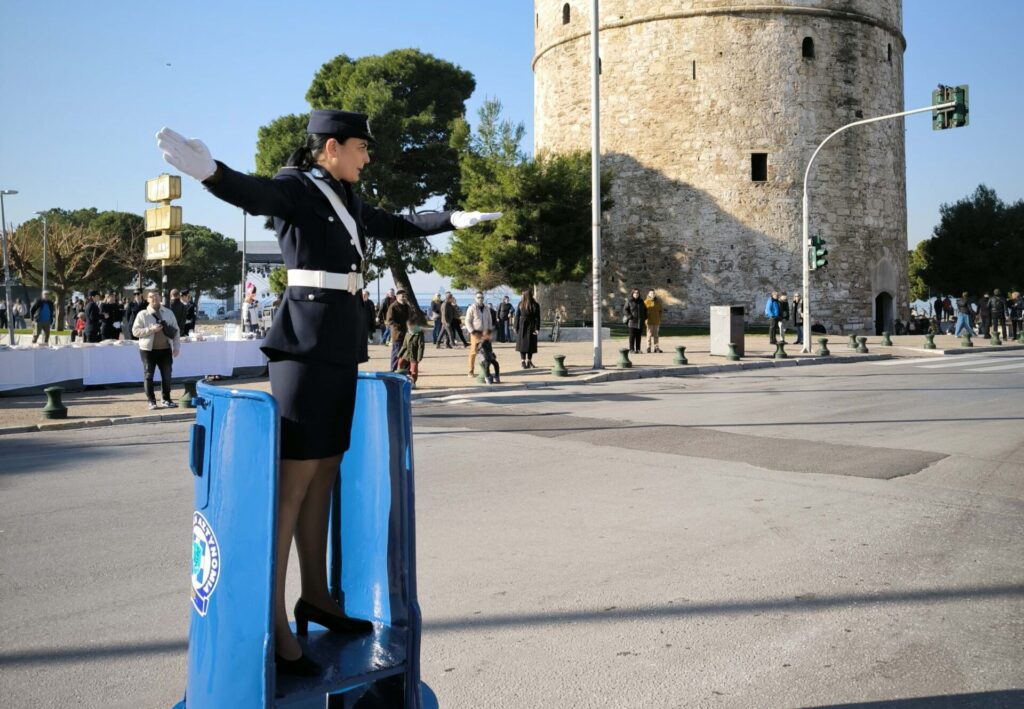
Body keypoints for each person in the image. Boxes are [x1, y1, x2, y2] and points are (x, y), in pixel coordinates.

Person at [157, 112, 500, 676]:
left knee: (323, 475)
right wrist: (210, 172)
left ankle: (315, 594)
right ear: (332, 147)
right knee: (293, 483)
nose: (367, 157)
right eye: (362, 147)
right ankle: (274, 623)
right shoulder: (298, 185)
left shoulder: (348, 197)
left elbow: (397, 223)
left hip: (340, 340)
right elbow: (252, 193)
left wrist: (452, 220)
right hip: (303, 344)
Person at [132, 290, 181, 410]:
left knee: (167, 375)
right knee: (149, 375)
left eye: (156, 296)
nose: (154, 299)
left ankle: (166, 399)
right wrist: (151, 329)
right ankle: (151, 401)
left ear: (160, 298)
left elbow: (176, 330)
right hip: (148, 350)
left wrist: (177, 346)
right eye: (151, 297)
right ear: (147, 299)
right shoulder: (142, 314)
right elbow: (135, 331)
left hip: (165, 349)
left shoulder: (168, 313)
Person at [465, 291, 494, 377]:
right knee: (474, 352)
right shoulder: (471, 308)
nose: (480, 299)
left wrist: (489, 331)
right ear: (475, 298)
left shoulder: (487, 308)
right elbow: (467, 321)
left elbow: (489, 320)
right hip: (475, 333)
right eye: (478, 297)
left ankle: (485, 370)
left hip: (485, 333)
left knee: (486, 352)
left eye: (482, 297)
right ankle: (471, 370)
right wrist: (472, 331)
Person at [396, 313, 426, 385]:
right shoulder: (407, 334)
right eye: (408, 327)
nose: (409, 329)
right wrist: (399, 354)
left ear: (415, 326)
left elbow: (421, 347)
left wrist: (419, 357)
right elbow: (404, 345)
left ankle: (413, 382)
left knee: (413, 370)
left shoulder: (419, 335)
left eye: (411, 327)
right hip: (406, 354)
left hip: (414, 355)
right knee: (400, 363)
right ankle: (400, 378)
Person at [386, 289, 411, 371]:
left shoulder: (407, 306)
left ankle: (405, 370)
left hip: (406, 334)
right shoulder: (393, 307)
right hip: (397, 334)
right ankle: (393, 369)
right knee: (396, 352)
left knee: (407, 352)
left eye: (404, 296)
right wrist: (398, 328)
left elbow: (409, 318)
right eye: (401, 296)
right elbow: (389, 320)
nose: (403, 298)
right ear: (397, 297)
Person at [515, 289, 541, 368]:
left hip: (525, 325)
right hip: (528, 325)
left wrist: (515, 326)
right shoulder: (534, 304)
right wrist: (537, 328)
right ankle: (526, 361)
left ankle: (525, 361)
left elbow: (517, 316)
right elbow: (537, 318)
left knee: (527, 344)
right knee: (527, 344)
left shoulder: (525, 304)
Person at [622, 288, 646, 354]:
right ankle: (631, 349)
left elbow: (645, 309)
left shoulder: (641, 301)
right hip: (632, 322)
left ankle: (638, 349)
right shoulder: (629, 301)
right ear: (632, 293)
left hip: (640, 322)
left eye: (637, 293)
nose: (636, 294)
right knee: (632, 336)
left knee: (638, 337)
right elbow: (625, 310)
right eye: (635, 293)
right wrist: (629, 316)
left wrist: (645, 317)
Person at [643, 289, 663, 353]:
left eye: (654, 293)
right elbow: (643, 312)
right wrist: (645, 320)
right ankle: (648, 347)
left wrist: (659, 318)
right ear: (648, 294)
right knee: (649, 335)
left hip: (656, 321)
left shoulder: (658, 302)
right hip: (649, 321)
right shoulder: (646, 302)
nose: (652, 294)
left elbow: (661, 311)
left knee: (656, 335)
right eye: (651, 293)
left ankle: (656, 348)